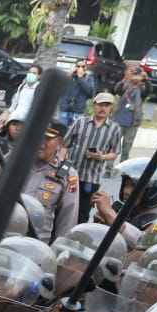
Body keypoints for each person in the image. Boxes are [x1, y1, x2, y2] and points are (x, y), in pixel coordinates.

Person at [62, 92, 123, 224]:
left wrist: (101, 156)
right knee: (63, 207)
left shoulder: (114, 129)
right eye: (101, 104)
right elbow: (65, 145)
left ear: (111, 108)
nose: (103, 108)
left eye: (107, 105)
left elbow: (115, 153)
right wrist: (61, 166)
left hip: (92, 178)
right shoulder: (80, 123)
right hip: (71, 174)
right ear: (94, 106)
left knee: (83, 212)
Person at [24, 120, 80, 242]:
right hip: (4, 235)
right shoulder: (13, 160)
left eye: (47, 139)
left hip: (36, 243)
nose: (41, 143)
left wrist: (60, 251)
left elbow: (67, 220)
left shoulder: (67, 175)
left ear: (60, 142)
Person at [115, 64, 147, 160]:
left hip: (133, 121)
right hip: (119, 119)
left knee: (127, 146)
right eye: (134, 74)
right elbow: (117, 90)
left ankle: (123, 166)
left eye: (138, 75)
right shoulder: (126, 84)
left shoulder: (142, 87)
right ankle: (108, 168)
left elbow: (148, 91)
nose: (135, 77)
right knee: (114, 145)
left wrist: (146, 80)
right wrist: (125, 78)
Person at [59, 60, 96, 125]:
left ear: (86, 67)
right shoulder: (69, 76)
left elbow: (89, 93)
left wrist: (81, 78)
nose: (80, 68)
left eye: (83, 66)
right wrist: (69, 75)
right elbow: (60, 88)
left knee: (74, 133)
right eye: (78, 66)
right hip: (64, 110)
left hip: (78, 112)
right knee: (60, 132)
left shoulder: (89, 78)